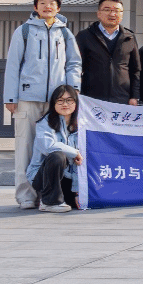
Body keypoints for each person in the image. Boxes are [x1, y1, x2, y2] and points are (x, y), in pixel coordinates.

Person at [4, 0, 82, 210]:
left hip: (56, 101)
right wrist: (10, 97)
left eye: (52, 3)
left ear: (58, 8)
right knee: (25, 147)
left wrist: (73, 91)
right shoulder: (24, 31)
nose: (48, 6)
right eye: (43, 3)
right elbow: (13, 65)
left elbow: (74, 63)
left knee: (56, 147)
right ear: (35, 7)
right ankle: (26, 196)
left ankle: (49, 194)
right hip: (27, 98)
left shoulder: (65, 33)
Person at [25, 85, 82, 213]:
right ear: (53, 103)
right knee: (58, 156)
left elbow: (82, 161)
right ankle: (48, 202)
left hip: (70, 179)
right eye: (60, 100)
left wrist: (78, 192)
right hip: (42, 177)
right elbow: (48, 147)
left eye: (69, 100)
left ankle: (60, 199)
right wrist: (74, 153)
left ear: (76, 103)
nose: (65, 104)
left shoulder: (82, 124)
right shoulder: (45, 123)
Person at [75, 0, 141, 105]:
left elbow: (135, 70)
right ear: (98, 13)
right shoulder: (84, 36)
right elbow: (76, 67)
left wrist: (135, 96)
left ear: (122, 14)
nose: (112, 14)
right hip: (92, 99)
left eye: (117, 11)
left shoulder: (129, 37)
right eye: (107, 10)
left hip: (122, 99)